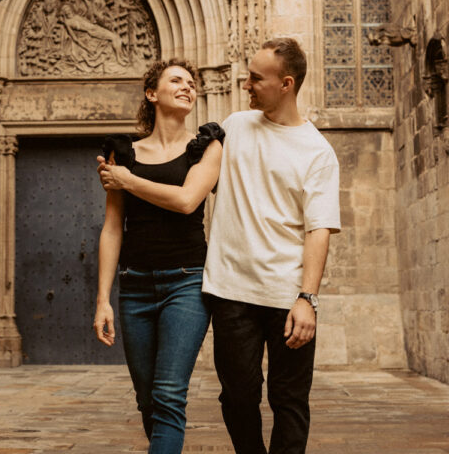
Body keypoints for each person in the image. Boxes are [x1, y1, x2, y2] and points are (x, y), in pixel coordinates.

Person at [99, 38, 340, 454]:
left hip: (285, 294)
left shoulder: (317, 151)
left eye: (255, 78)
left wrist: (307, 297)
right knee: (237, 397)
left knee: (289, 400)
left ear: (285, 84)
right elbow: (178, 174)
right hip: (230, 291)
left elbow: (318, 229)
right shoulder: (234, 128)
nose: (245, 84)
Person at [93, 59, 224, 454]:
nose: (188, 87)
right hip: (134, 287)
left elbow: (186, 201)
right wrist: (103, 300)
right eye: (176, 81)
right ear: (152, 94)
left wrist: (128, 181)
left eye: (191, 82)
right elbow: (113, 227)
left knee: (168, 394)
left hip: (186, 282)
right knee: (147, 399)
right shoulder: (123, 152)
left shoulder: (207, 146)